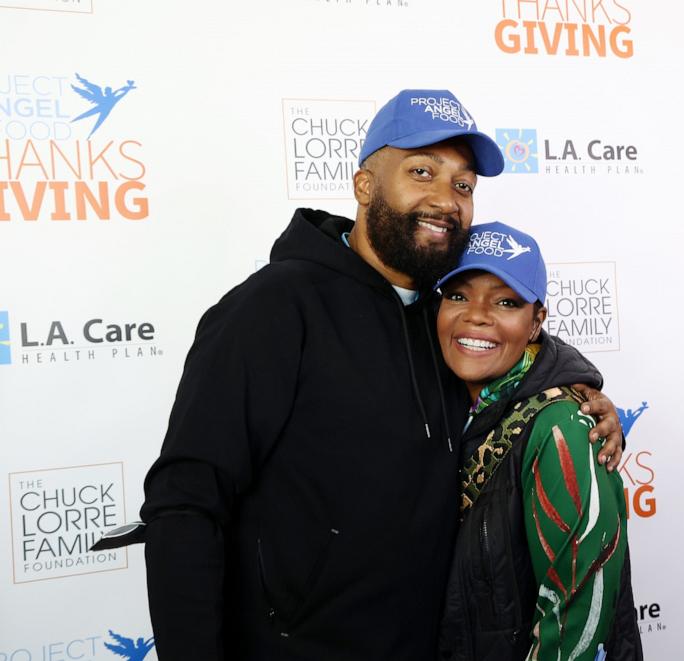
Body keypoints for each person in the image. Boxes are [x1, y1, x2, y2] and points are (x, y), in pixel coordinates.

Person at [134, 89, 624, 661]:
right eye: (422, 171)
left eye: (463, 185)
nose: (447, 200)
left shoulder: (443, 321)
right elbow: (185, 504)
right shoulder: (272, 308)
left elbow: (515, 355)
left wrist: (580, 388)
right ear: (365, 185)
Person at [434, 222, 643, 661]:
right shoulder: (444, 400)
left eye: (506, 302)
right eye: (458, 295)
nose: (476, 314)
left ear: (536, 323)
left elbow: (578, 623)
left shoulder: (565, 426)